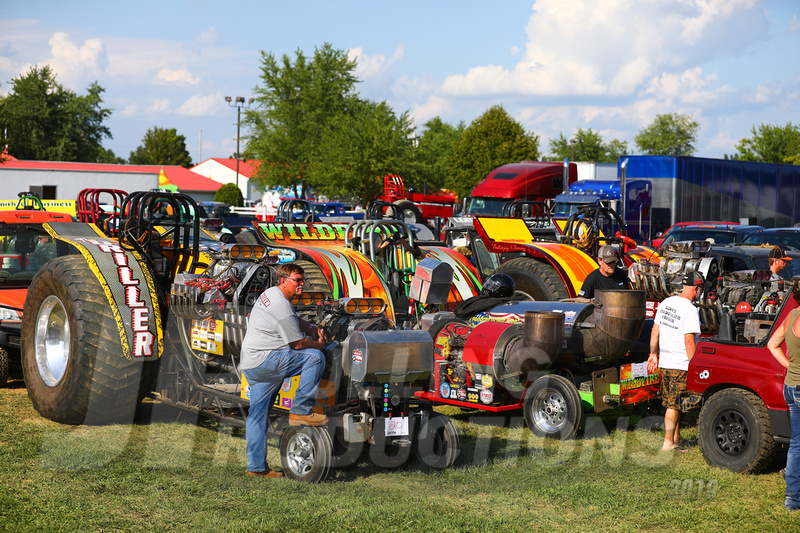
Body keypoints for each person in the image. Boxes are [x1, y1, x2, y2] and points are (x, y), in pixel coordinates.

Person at [239, 263, 328, 478]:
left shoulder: (271, 294)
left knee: (257, 417)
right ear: (283, 280)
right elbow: (297, 345)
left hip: (252, 363)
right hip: (267, 361)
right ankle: (300, 410)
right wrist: (320, 344)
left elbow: (291, 320)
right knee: (315, 358)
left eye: (302, 280)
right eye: (297, 280)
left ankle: (256, 468)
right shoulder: (281, 304)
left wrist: (312, 327)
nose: (301, 284)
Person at [647, 271, 703, 452]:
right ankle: (668, 443)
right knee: (674, 404)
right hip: (681, 363)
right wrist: (694, 364)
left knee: (674, 402)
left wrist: (653, 354)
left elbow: (655, 330)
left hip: (665, 362)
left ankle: (676, 437)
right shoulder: (690, 310)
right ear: (696, 288)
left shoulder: (666, 303)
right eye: (701, 289)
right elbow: (689, 341)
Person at [767, 279, 800, 511]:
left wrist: (789, 365)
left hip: (791, 386)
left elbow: (772, 345)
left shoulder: (792, 315)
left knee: (797, 444)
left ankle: (792, 497)